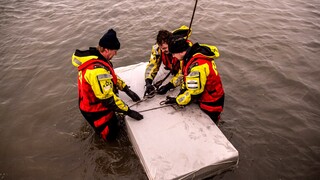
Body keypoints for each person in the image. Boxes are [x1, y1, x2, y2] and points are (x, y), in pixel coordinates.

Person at [71, 29, 143, 141]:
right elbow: (108, 99)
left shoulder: (97, 59)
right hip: (95, 110)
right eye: (115, 51)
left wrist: (125, 89)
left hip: (88, 104)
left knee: (110, 128)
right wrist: (128, 111)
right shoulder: (97, 70)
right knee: (111, 137)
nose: (116, 53)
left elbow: (110, 77)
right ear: (106, 49)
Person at [164, 35, 224, 124]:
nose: (173, 56)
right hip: (211, 94)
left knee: (210, 124)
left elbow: (194, 93)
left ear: (180, 52)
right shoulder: (192, 55)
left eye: (173, 53)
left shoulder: (197, 66)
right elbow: (185, 77)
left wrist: (178, 100)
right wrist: (169, 85)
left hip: (211, 103)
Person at [144, 25, 192, 97]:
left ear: (170, 44)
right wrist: (148, 82)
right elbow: (153, 65)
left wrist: (169, 86)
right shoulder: (158, 49)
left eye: (165, 48)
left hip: (182, 70)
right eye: (161, 48)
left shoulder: (182, 50)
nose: (163, 51)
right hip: (171, 67)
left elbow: (182, 73)